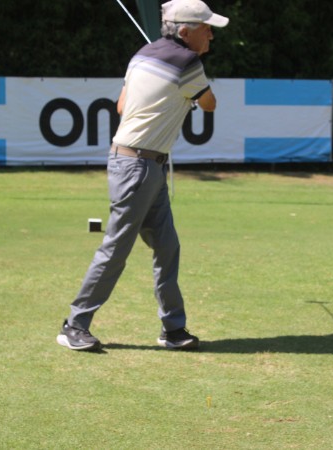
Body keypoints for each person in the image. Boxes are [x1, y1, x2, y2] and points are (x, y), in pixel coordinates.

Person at [57, 0, 229, 351]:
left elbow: (122, 106)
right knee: (116, 248)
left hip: (142, 165)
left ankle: (173, 329)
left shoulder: (142, 56)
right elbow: (210, 103)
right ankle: (74, 325)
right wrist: (183, 96)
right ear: (185, 32)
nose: (211, 35)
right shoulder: (188, 62)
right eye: (206, 28)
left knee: (167, 247)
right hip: (137, 167)